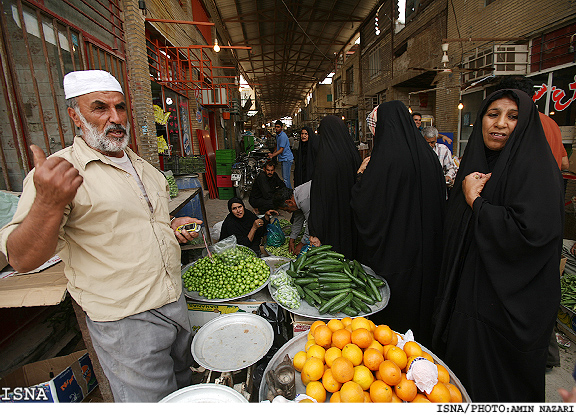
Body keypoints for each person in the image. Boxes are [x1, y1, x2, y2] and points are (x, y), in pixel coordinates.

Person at [0, 70, 200, 402]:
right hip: (127, 322)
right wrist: (48, 204)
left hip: (174, 302)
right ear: (74, 115)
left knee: (185, 389)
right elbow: (22, 258)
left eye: (120, 107)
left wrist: (170, 227)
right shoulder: (58, 173)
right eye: (99, 108)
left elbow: (140, 223)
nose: (115, 117)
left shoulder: (145, 169)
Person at [432, 89, 564, 402]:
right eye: (493, 114)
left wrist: (476, 201)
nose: (501, 123)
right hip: (468, 301)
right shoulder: (474, 163)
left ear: (526, 123)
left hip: (507, 310)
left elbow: (529, 234)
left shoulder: (537, 170)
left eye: (512, 116)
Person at [351, 101, 446, 347]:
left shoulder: (382, 160)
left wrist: (360, 176)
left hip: (394, 259)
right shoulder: (429, 156)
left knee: (393, 322)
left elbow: (364, 204)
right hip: (425, 257)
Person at [496, 75, 568, 374]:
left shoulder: (525, 132)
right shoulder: (549, 125)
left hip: (531, 204)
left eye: (512, 115)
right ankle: (545, 353)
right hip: (549, 205)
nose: (502, 123)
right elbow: (563, 164)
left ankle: (539, 354)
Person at [308, 115, 361, 258]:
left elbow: (319, 196)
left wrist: (315, 231)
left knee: (334, 260)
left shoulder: (325, 158)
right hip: (351, 218)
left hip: (332, 221)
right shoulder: (353, 154)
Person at [496, 75, 569, 171]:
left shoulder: (520, 122)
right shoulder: (551, 123)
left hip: (526, 183)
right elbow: (564, 164)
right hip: (552, 183)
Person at [273, 181, 311, 255]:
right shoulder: (295, 196)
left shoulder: (303, 200)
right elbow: (298, 219)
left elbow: (311, 223)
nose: (289, 212)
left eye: (287, 210)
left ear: (289, 202)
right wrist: (292, 238)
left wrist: (302, 243)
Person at [268, 120, 294, 188]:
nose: (276, 128)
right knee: (285, 178)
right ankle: (289, 193)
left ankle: (289, 194)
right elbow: (277, 146)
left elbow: (281, 150)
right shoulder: (278, 136)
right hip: (283, 158)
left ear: (282, 127)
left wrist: (273, 155)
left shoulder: (282, 136)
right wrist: (273, 153)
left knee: (286, 179)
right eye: (276, 127)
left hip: (287, 159)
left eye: (278, 127)